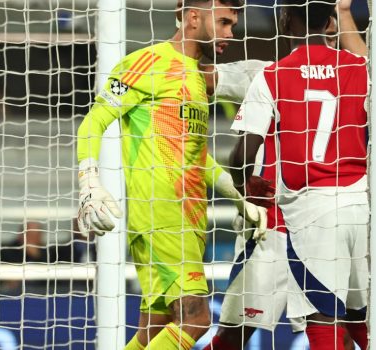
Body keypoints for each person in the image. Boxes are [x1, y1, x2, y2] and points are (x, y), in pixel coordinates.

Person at [76, 1, 266, 349]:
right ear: (193, 18)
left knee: (153, 329)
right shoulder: (147, 62)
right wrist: (89, 181)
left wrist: (239, 199)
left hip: (189, 218)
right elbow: (95, 120)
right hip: (161, 214)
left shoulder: (197, 75)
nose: (230, 34)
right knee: (196, 320)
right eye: (223, 22)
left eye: (233, 25)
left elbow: (196, 154)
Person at [227, 1, 375, 348]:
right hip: (351, 208)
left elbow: (241, 153)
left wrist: (241, 184)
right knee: (359, 317)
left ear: (284, 19)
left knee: (324, 317)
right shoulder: (360, 69)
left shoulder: (272, 75)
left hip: (303, 215)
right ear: (330, 23)